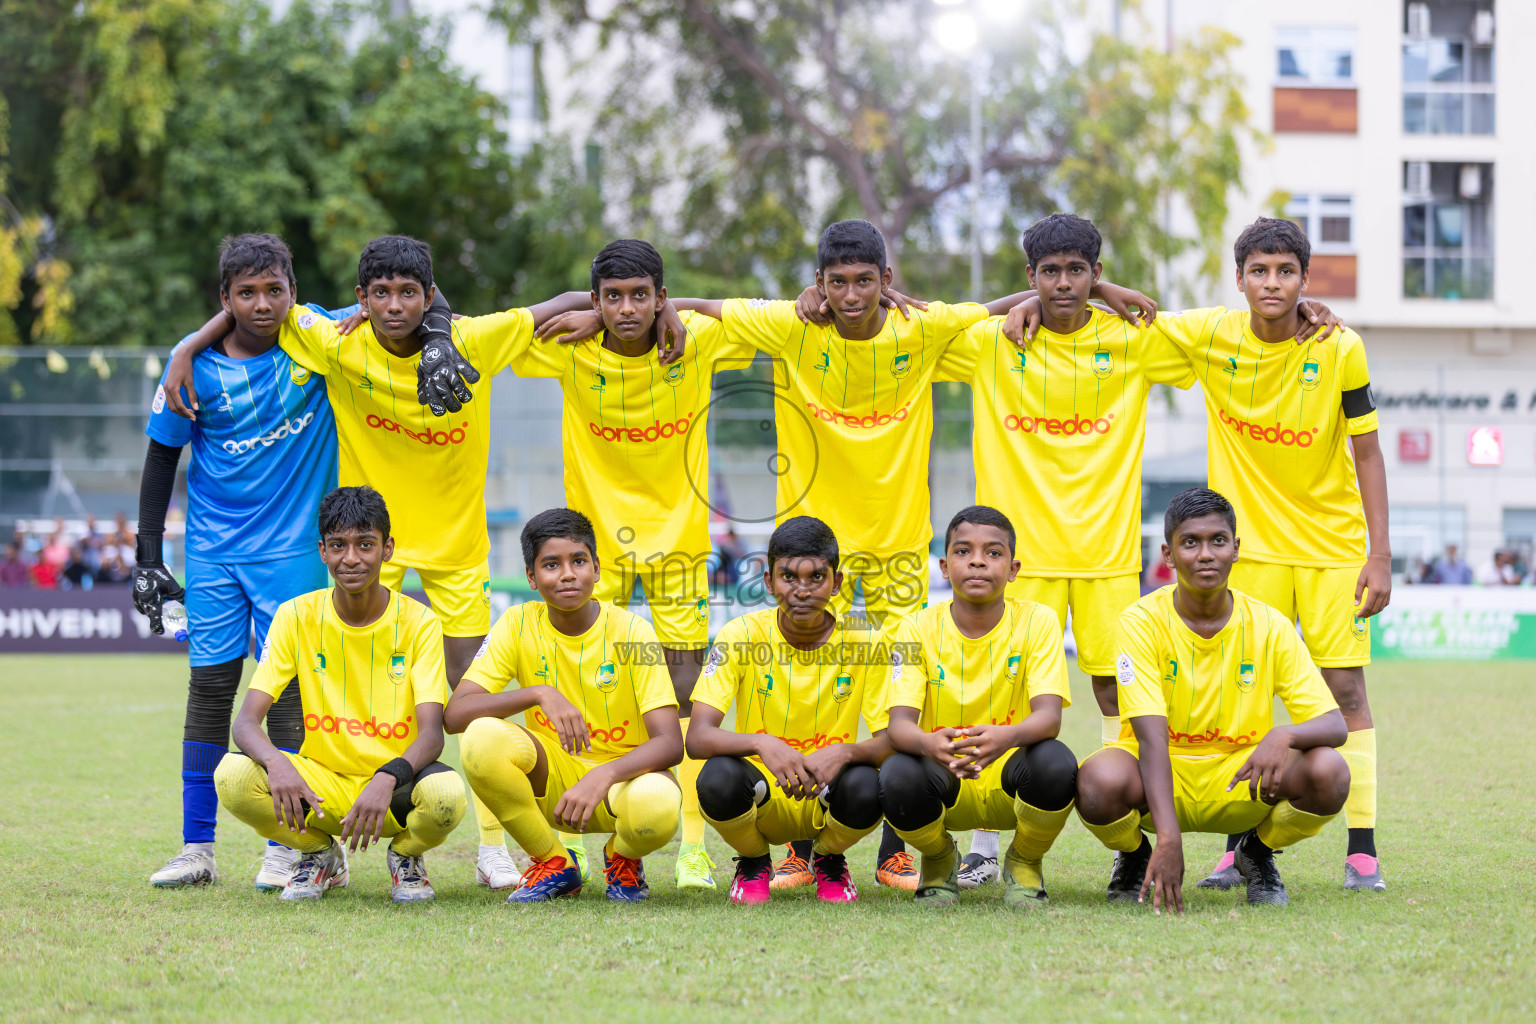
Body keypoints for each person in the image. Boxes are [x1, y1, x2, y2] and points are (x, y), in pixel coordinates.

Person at [666, 219, 1152, 890]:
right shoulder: (791, 325)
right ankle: (798, 849)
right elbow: (692, 304)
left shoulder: (921, 329)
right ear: (819, 286)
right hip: (816, 542)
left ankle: (896, 847)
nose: (851, 293)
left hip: (897, 543)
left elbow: (1001, 306)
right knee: (793, 688)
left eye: (865, 280)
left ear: (887, 282)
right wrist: (660, 308)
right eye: (836, 283)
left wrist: (1080, 293)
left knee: (900, 701)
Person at [165, 235, 644, 891]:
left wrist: (599, 308)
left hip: (457, 549)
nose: (394, 306)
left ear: (429, 296)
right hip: (373, 548)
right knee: (347, 694)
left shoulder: (471, 340)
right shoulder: (337, 341)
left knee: (475, 704)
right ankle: (320, 837)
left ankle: (494, 846)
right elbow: (264, 306)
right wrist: (188, 348)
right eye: (381, 293)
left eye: (409, 293)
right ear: (360, 301)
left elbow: (546, 309)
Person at [1142, 218, 1390, 893]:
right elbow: (1136, 317)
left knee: (1346, 693)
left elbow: (1366, 450)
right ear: (1241, 278)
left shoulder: (1340, 346)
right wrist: (1096, 281)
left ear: (1305, 280)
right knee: (1246, 697)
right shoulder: (1212, 337)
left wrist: (1380, 555)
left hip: (1333, 548)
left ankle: (1362, 849)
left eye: (1286, 272)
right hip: (1247, 553)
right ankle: (1237, 846)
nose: (1272, 283)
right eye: (1260, 271)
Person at [501, 239, 753, 892]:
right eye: (611, 296)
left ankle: (694, 847)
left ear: (661, 297)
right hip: (593, 555)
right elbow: (501, 329)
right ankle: (571, 841)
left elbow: (772, 311)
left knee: (692, 701)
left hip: (679, 551)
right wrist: (577, 309)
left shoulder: (693, 340)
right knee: (580, 694)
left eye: (641, 295)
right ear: (595, 300)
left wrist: (683, 310)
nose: (626, 308)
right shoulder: (571, 345)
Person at [136, 234, 343, 891]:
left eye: (273, 291)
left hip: (293, 552)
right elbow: (161, 458)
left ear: (293, 291)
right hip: (215, 553)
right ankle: (197, 848)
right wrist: (148, 555)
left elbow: (427, 299)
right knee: (210, 690)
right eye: (244, 294)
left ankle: (291, 843)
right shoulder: (192, 370)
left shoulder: (320, 342)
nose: (261, 304)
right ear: (223, 300)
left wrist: (191, 337)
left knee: (282, 694)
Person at [1075, 488, 1351, 911]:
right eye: (1191, 542)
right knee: (1096, 781)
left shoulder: (1270, 624)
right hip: (1159, 777)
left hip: (1242, 777)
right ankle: (1134, 855)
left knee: (1329, 772)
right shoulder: (1140, 622)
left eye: (1218, 541)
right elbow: (1149, 740)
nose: (1206, 554)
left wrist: (1284, 735)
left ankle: (1256, 853)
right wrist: (1168, 839)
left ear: (1236, 549)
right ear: (1168, 555)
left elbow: (1334, 725)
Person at [213, 486, 467, 902]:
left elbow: (432, 736)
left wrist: (387, 777)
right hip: (321, 786)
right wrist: (276, 763)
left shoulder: (420, 621)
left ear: (387, 550)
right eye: (339, 546)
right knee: (233, 776)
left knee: (447, 797)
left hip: (393, 790)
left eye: (365, 545)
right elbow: (245, 722)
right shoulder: (295, 616)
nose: (351, 558)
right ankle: (318, 853)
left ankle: (406, 857)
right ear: (322, 552)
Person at [448, 508, 684, 903]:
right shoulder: (516, 624)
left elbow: (670, 743)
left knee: (657, 805)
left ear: (596, 567)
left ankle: (622, 858)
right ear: (531, 577)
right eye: (551, 564)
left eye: (578, 561)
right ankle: (554, 863)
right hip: (554, 784)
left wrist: (603, 774)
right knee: (480, 737)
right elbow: (455, 715)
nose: (568, 574)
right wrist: (537, 693)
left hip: (623, 782)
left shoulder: (633, 631)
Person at [684, 516, 898, 904]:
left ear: (837, 583)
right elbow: (697, 737)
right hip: (763, 792)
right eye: (788, 577)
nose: (802, 591)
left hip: (828, 790)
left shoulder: (868, 641)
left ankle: (829, 860)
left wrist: (846, 751)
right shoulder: (741, 635)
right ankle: (753, 862)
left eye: (817, 577)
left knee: (871, 782)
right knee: (716, 777)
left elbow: (892, 740)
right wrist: (761, 742)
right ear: (769, 582)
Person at [879, 506, 1079, 907]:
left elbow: (1049, 718)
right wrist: (929, 744)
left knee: (1056, 763)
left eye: (993, 552)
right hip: (944, 777)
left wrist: (1006, 737)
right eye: (963, 551)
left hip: (1007, 777)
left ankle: (1024, 861)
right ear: (944, 565)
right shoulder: (914, 628)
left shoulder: (1038, 621)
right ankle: (939, 860)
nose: (977, 560)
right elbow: (899, 725)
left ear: (1013, 568)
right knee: (897, 771)